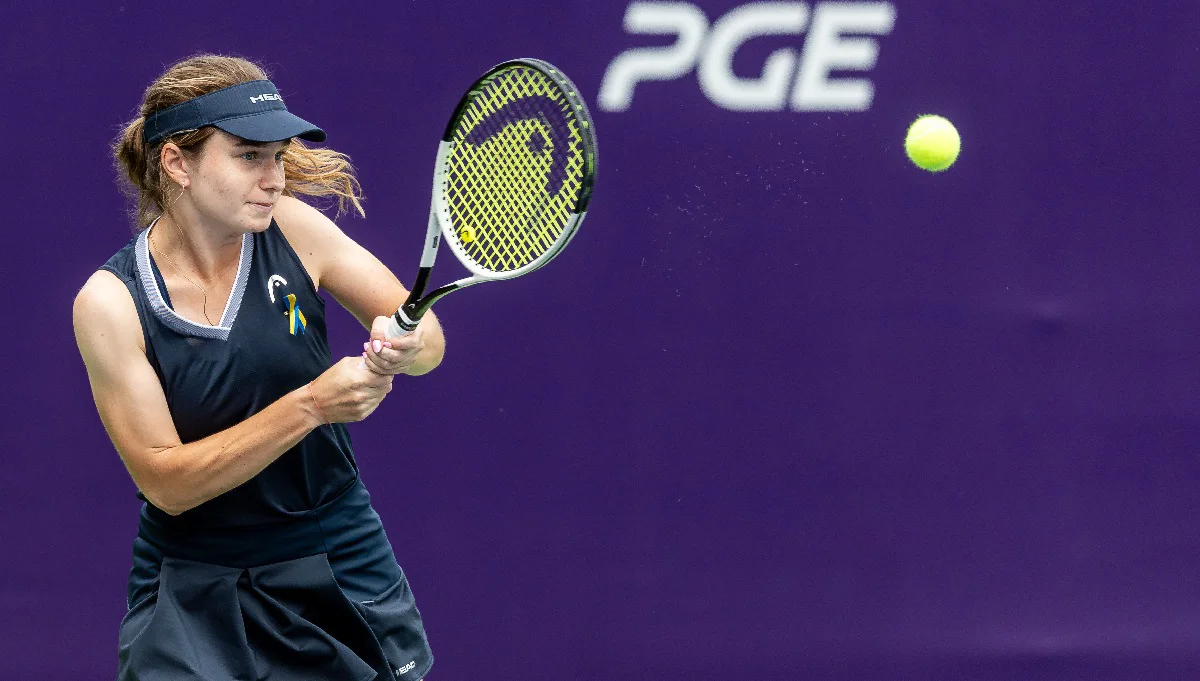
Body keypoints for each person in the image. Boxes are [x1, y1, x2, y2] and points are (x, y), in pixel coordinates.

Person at [72, 54, 443, 680]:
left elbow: (426, 337)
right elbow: (167, 483)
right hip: (192, 585)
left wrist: (408, 346)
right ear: (177, 163)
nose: (274, 177)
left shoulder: (296, 229)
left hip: (335, 557)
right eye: (249, 156)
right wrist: (312, 405)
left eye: (277, 156)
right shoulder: (109, 303)